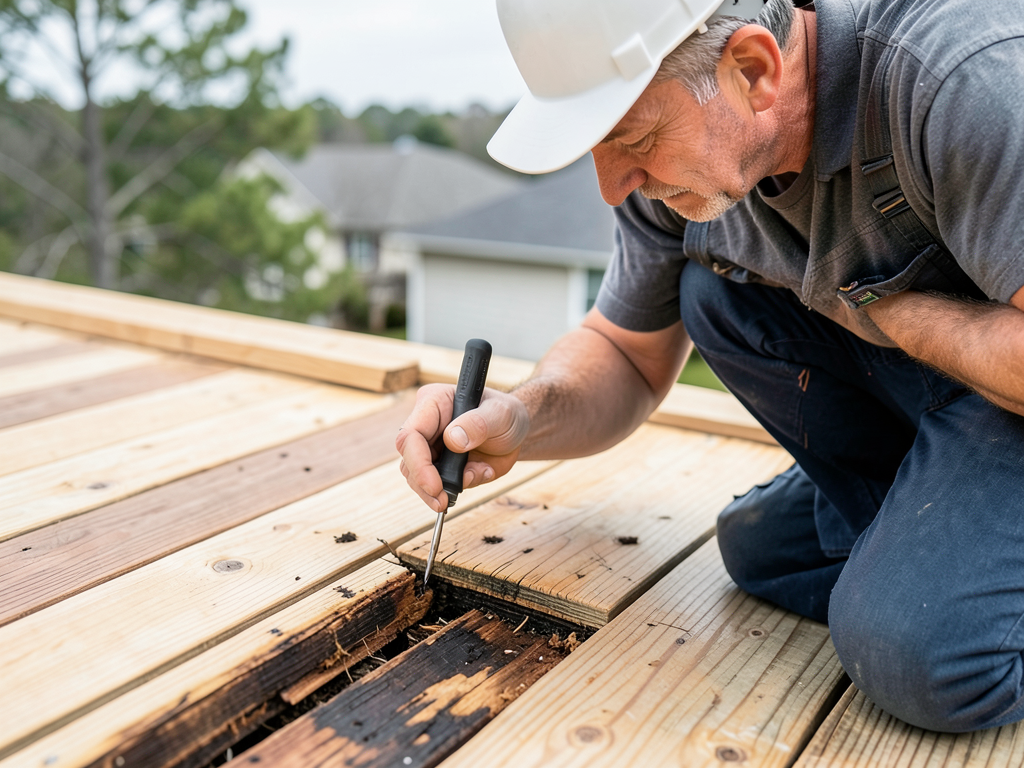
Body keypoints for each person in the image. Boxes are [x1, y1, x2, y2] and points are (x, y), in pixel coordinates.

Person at [396, 0, 1024, 733]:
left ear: (753, 70)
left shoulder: (959, 81)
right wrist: (520, 416)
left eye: (634, 138)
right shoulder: (675, 177)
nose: (613, 185)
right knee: (763, 549)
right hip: (955, 385)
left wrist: (889, 311)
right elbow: (626, 353)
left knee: (918, 656)